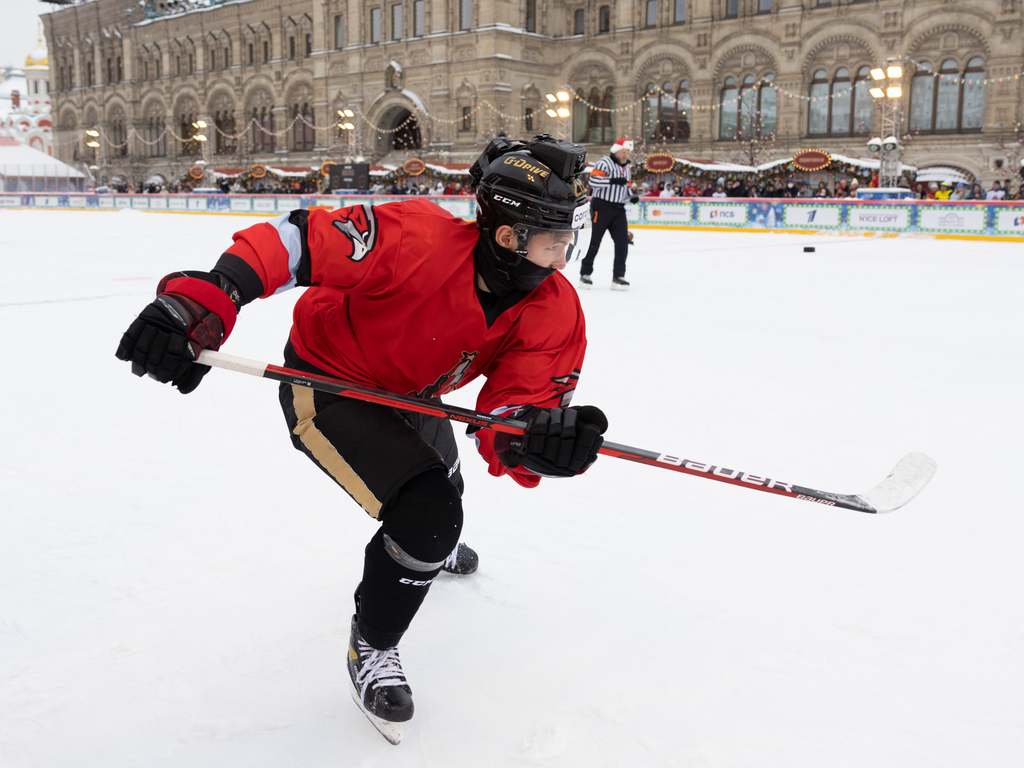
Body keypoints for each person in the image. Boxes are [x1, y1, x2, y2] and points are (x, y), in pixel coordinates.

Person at [113, 133, 608, 744]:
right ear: (507, 236)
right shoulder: (415, 238)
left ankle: (425, 550)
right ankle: (373, 644)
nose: (566, 256)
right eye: (556, 239)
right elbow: (293, 242)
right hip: (329, 384)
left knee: (447, 482)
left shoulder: (554, 308)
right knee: (431, 513)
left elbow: (512, 410)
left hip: (411, 391)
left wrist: (536, 437)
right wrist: (207, 302)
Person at [578, 137, 638, 291]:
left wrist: (633, 195)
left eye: (627, 152)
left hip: (619, 209)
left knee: (622, 243)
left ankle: (618, 276)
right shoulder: (604, 163)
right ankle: (585, 274)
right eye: (623, 152)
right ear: (616, 151)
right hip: (602, 207)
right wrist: (613, 181)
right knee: (594, 241)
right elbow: (593, 181)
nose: (626, 155)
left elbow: (626, 187)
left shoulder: (627, 169)